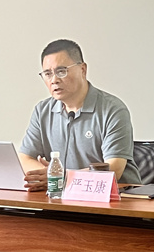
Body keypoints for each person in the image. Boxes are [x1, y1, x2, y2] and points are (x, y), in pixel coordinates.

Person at [19, 39, 141, 191]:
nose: (54, 80)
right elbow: (24, 158)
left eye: (61, 71)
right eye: (47, 74)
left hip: (115, 199)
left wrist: (62, 177)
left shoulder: (113, 110)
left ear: (83, 69)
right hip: (63, 199)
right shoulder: (42, 111)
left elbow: (113, 169)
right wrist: (52, 176)